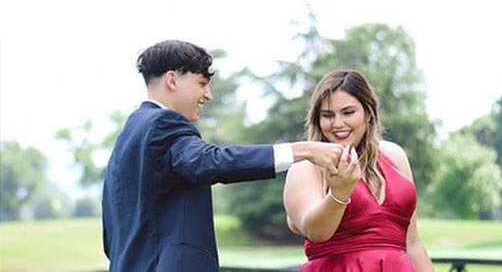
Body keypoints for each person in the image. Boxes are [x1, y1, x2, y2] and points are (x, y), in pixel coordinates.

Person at [102, 40, 344, 272]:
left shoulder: (128, 137)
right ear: (172, 80)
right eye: (201, 83)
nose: (208, 95)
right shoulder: (163, 124)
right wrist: (305, 150)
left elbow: (110, 238)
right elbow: (211, 162)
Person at [284, 69, 434, 271]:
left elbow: (412, 242)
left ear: (368, 113)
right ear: (317, 120)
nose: (338, 124)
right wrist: (339, 193)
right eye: (328, 115)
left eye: (348, 112)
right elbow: (316, 232)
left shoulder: (395, 155)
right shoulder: (307, 167)